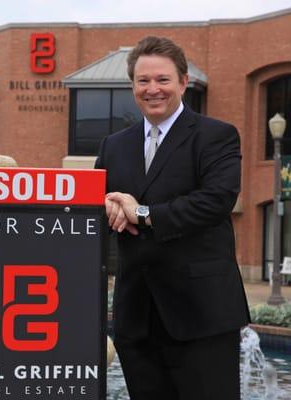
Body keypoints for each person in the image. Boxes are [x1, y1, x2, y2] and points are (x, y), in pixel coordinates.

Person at [95, 36, 250, 399]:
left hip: (202, 314)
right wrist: (107, 206)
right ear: (132, 85)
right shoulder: (113, 146)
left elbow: (215, 201)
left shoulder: (217, 136)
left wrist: (143, 213)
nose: (153, 89)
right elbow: (94, 203)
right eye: (143, 81)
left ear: (183, 82)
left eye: (163, 80)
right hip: (137, 319)